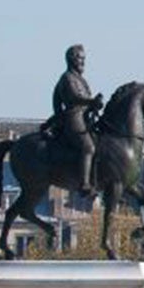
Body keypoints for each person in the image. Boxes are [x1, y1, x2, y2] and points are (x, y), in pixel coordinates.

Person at [44, 43, 99, 193]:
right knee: (88, 147)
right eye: (80, 58)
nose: (83, 62)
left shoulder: (79, 78)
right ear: (71, 59)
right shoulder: (68, 78)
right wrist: (91, 101)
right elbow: (74, 97)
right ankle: (84, 184)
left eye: (84, 59)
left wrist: (94, 105)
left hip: (84, 117)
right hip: (73, 118)